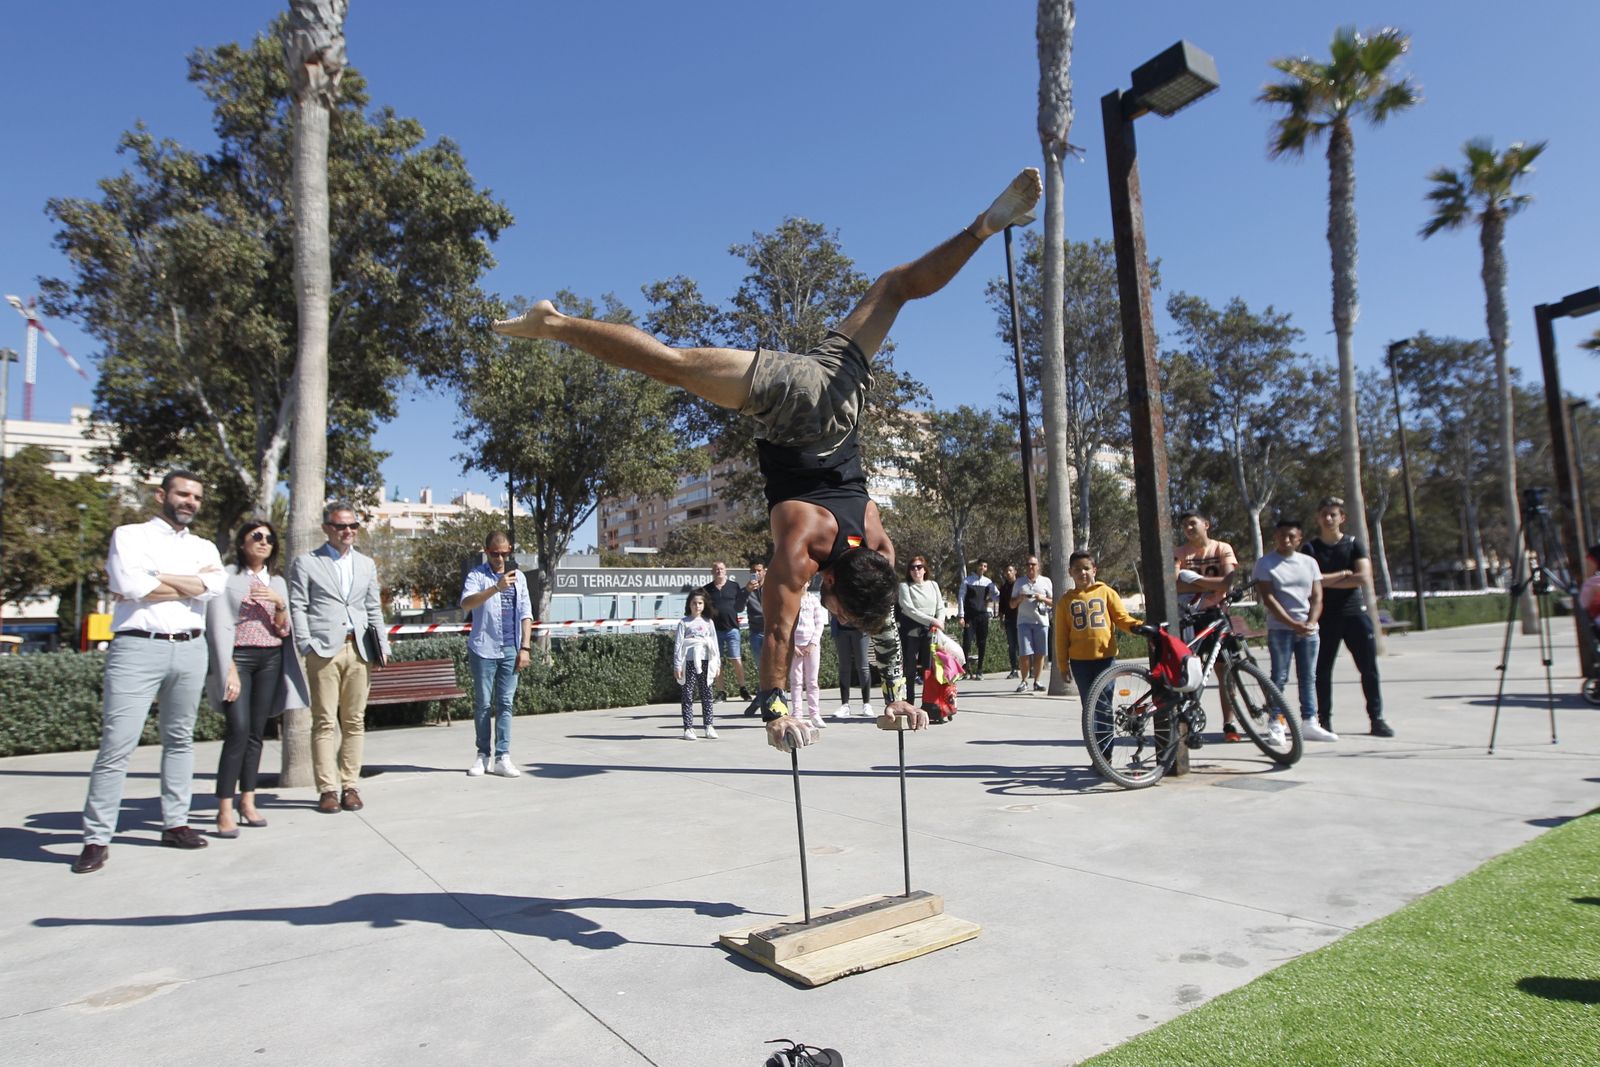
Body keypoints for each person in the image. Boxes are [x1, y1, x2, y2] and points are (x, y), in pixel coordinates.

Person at [493, 170, 1043, 751]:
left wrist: (897, 699)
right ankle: (553, 322)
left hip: (841, 392)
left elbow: (879, 617)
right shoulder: (802, 547)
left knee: (895, 286)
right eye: (839, 614)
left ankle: (983, 227)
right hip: (793, 401)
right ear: (829, 590)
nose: (838, 619)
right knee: (671, 363)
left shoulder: (879, 552)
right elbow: (778, 635)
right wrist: (775, 713)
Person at [74, 471, 225, 874]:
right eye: (182, 494)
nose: (189, 501)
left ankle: (175, 823)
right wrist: (188, 585)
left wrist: (154, 578)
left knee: (179, 741)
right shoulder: (129, 535)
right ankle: (96, 838)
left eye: (196, 496)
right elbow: (127, 583)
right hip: (138, 646)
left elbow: (215, 587)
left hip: (191, 648)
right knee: (117, 745)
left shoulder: (204, 545)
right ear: (162, 495)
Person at [205, 519, 310, 837]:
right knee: (237, 731)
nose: (264, 542)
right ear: (242, 543)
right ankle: (224, 807)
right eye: (257, 536)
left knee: (255, 734)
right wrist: (229, 668)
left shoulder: (277, 582)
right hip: (238, 657)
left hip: (270, 659)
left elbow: (282, 629)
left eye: (269, 538)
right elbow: (218, 627)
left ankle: (247, 802)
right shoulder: (227, 579)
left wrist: (279, 604)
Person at [288, 502, 390, 814]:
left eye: (353, 526)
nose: (348, 532)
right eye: (341, 526)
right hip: (323, 650)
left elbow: (373, 608)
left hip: (358, 649)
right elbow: (297, 605)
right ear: (326, 529)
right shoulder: (307, 563)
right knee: (324, 722)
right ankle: (327, 789)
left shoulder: (365, 564)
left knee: (355, 721)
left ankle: (350, 785)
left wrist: (381, 646)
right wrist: (306, 644)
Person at [1304, 496, 1394, 738]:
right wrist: (1343, 575)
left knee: (1369, 669)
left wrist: (1327, 580)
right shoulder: (1310, 549)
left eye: (1333, 514)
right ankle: (1324, 720)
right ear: (1318, 518)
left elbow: (1363, 577)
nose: (1328, 518)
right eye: (1324, 514)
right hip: (1325, 617)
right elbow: (1311, 581)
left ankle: (1377, 719)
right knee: (1322, 671)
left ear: (1342, 518)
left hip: (1355, 614)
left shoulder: (1354, 545)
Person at [1253, 519, 1336, 742]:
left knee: (1308, 676)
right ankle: (1276, 722)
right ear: (1275, 537)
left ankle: (1309, 721)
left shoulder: (1309, 563)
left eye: (1291, 536)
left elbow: (1317, 596)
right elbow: (1269, 599)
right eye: (1282, 535)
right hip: (1281, 629)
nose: (1286, 540)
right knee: (1279, 677)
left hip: (1308, 630)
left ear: (1299, 539)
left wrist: (1310, 622)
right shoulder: (1266, 563)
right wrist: (1292, 623)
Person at [459, 531, 534, 776]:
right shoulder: (476, 575)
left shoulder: (519, 578)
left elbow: (526, 613)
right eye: (495, 554)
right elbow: (466, 604)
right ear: (487, 551)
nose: (500, 558)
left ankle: (503, 756)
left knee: (505, 703)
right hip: (483, 648)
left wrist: (525, 647)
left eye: (504, 553)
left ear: (510, 550)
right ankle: (482, 756)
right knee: (482, 704)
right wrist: (495, 588)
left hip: (511, 649)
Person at [1174, 512, 1242, 740]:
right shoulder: (1180, 553)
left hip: (1218, 615)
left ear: (1206, 524)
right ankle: (1191, 724)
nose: (1188, 528)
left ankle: (1229, 725)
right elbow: (1175, 585)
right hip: (1190, 617)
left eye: (1192, 523)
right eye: (1184, 525)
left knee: (1226, 672)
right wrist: (1214, 585)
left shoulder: (1222, 548)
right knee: (1192, 673)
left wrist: (1193, 581)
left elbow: (1229, 581)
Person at [1053, 551, 1141, 710]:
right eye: (1077, 569)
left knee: (1104, 703)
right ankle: (1091, 735)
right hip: (1079, 662)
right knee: (1088, 706)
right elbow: (1061, 636)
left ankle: (1106, 736)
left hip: (1105, 659)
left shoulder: (1106, 592)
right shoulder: (1065, 601)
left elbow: (1122, 618)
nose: (1082, 573)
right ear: (1070, 572)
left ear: (1094, 570)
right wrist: (1063, 666)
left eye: (1086, 568)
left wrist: (1137, 626)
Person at [700, 561, 751, 703]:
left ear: (726, 571)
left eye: (721, 568)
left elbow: (741, 605)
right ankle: (721, 692)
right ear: (712, 572)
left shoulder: (734, 586)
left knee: (736, 659)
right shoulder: (706, 590)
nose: (719, 571)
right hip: (715, 631)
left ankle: (743, 689)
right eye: (716, 569)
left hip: (732, 629)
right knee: (717, 662)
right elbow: (703, 610)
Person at [896, 556, 944, 707]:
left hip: (930, 631)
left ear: (925, 569)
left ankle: (928, 701)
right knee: (909, 669)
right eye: (912, 568)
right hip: (911, 632)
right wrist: (932, 620)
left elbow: (940, 607)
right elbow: (909, 610)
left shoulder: (933, 585)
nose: (916, 570)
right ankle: (909, 701)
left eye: (919, 567)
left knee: (928, 668)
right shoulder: (904, 586)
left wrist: (939, 620)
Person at [673, 590, 720, 740]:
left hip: (706, 660)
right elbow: (679, 645)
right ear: (689, 604)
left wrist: (717, 664)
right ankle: (688, 728)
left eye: (700, 603)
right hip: (689, 662)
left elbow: (714, 644)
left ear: (704, 604)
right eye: (694, 603)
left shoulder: (708, 622)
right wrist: (677, 665)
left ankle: (709, 726)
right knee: (688, 694)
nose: (697, 606)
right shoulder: (684, 622)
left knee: (707, 693)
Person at [1010, 555, 1053, 694]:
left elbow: (1054, 602)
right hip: (1024, 622)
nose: (1030, 567)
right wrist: (1020, 598)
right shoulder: (1019, 583)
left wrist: (1042, 598)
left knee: (1040, 653)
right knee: (1025, 653)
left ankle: (1037, 681)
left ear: (1038, 566)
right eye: (1028, 564)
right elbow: (1011, 604)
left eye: (1033, 564)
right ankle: (1024, 681)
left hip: (1041, 622)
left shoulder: (1046, 582)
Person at [789, 584, 829, 731]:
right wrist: (792, 646)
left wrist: (813, 643)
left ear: (809, 583)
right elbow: (787, 624)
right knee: (796, 682)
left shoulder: (813, 600)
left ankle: (814, 714)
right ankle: (797, 714)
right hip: (795, 647)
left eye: (805, 581)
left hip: (811, 646)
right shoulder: (791, 600)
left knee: (812, 681)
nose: (802, 584)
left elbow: (819, 624)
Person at [957, 560, 1000, 680]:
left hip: (983, 616)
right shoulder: (967, 581)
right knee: (966, 643)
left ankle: (980, 670)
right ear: (977, 566)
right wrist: (961, 615)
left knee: (982, 643)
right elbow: (961, 597)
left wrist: (993, 598)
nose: (982, 568)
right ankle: (964, 669)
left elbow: (997, 594)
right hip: (970, 617)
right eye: (981, 565)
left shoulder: (988, 582)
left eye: (985, 566)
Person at [830, 615, 874, 720]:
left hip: (861, 628)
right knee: (844, 667)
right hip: (841, 629)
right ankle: (845, 705)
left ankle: (866, 704)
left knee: (863, 666)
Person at [998, 562, 1022, 679]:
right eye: (1006, 571)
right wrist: (1001, 619)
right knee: (1012, 646)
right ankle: (1014, 669)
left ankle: (1030, 669)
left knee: (1023, 645)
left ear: (1015, 572)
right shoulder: (1003, 588)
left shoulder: (1020, 585)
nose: (1008, 573)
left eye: (1010, 570)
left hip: (1022, 619)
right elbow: (1001, 605)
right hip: (1009, 620)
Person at [745, 562, 767, 676]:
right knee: (760, 666)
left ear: (764, 571)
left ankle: (779, 691)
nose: (756, 573)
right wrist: (746, 591)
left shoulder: (772, 588)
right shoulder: (747, 590)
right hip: (756, 632)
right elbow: (738, 608)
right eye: (753, 571)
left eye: (759, 570)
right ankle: (763, 691)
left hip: (771, 632)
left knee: (774, 664)